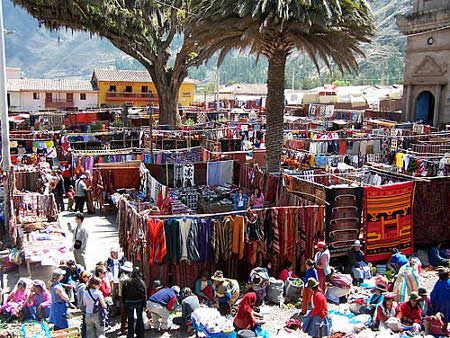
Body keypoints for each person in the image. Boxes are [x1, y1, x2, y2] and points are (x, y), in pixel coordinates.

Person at [122, 267, 147, 338]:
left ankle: (130, 335)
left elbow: (124, 293)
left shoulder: (126, 281)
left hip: (129, 302)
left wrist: (124, 302)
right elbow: (144, 294)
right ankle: (140, 334)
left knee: (130, 319)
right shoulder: (141, 282)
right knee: (140, 318)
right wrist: (145, 305)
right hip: (139, 302)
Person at [106, 246, 126, 314]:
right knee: (113, 296)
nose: (114, 254)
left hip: (120, 280)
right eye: (113, 253)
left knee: (121, 295)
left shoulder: (122, 260)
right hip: (113, 281)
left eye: (115, 252)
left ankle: (122, 310)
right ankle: (114, 310)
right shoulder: (109, 261)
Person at [430, 267, 450, 335]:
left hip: (439, 304)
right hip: (448, 304)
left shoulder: (439, 283)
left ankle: (438, 330)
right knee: (447, 316)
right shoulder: (449, 282)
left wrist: (431, 302)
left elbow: (434, 293)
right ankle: (445, 329)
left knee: (439, 316)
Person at [118, 261, 133, 335]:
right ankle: (123, 328)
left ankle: (124, 326)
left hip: (121, 296)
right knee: (125, 312)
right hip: (125, 297)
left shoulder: (121, 276)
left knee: (124, 312)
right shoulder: (125, 279)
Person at [76, 271, 91, 338]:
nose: (90, 278)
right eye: (88, 277)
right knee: (86, 324)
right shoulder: (83, 287)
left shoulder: (80, 285)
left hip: (84, 308)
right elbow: (83, 299)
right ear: (83, 278)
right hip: (85, 308)